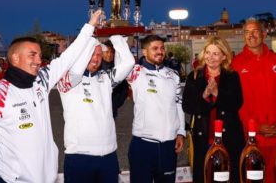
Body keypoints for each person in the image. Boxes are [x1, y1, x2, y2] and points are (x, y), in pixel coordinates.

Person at [0, 10, 101, 183]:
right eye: (32, 55)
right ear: (15, 58)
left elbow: (67, 58)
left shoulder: (42, 81)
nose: (38, 60)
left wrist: (90, 26)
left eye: (39, 55)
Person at [57, 34, 135, 182]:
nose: (96, 58)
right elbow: (75, 71)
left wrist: (117, 40)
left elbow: (128, 63)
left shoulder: (105, 78)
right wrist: (90, 41)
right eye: (91, 53)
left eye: (99, 54)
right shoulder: (66, 79)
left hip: (108, 156)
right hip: (78, 156)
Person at [231, 19, 276, 183]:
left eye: (255, 31)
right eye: (246, 32)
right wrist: (256, 127)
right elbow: (236, 103)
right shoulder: (235, 64)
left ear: (264, 34)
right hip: (249, 137)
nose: (251, 35)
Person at [183, 36, 244, 183]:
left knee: (229, 177)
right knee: (204, 177)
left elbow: (237, 103)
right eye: (208, 52)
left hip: (229, 139)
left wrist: (217, 93)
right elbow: (187, 106)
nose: (210, 57)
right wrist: (205, 94)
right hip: (203, 139)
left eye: (215, 53)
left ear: (224, 56)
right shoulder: (195, 76)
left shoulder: (232, 76)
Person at [127, 35, 186, 183]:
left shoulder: (173, 75)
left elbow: (178, 104)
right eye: (155, 48)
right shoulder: (135, 72)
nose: (160, 51)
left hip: (168, 146)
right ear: (144, 52)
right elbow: (121, 61)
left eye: (162, 48)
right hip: (143, 145)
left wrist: (180, 132)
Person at [101, 39, 130, 118]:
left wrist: (116, 104)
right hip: (96, 109)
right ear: (102, 53)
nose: (109, 55)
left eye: (112, 52)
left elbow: (124, 88)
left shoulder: (118, 68)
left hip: (112, 109)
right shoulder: (96, 68)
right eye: (107, 52)